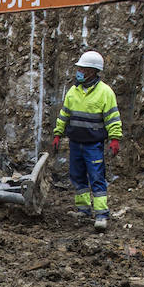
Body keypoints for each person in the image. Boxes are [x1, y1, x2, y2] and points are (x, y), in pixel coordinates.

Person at [51, 50, 121, 231]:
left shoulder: (105, 92)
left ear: (92, 71)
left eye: (82, 68)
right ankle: (83, 209)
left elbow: (112, 118)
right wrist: (58, 133)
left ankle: (101, 214)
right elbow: (64, 114)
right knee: (77, 176)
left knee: (97, 177)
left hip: (93, 144)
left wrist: (114, 138)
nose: (79, 71)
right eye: (79, 68)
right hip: (75, 142)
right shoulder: (73, 91)